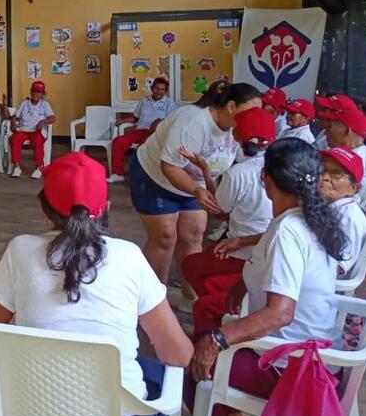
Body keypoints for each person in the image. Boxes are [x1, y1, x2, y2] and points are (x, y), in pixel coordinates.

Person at [0, 153, 193, 416]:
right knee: (153, 371)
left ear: (45, 210)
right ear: (107, 209)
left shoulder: (19, 250)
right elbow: (179, 354)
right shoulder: (129, 256)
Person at [185, 139, 347, 416]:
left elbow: (279, 314)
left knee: (191, 366)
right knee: (207, 334)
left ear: (266, 179)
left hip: (291, 369)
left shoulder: (288, 231)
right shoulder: (311, 218)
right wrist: (242, 285)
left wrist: (218, 340)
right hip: (313, 355)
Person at [129, 81, 262, 293]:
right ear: (231, 106)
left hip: (196, 183)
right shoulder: (193, 121)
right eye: (250, 111)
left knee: (193, 235)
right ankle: (155, 298)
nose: (254, 117)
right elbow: (170, 166)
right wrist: (196, 191)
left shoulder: (239, 129)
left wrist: (203, 187)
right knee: (165, 237)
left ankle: (192, 294)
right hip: (155, 176)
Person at [180, 108, 276, 333]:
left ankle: (220, 320)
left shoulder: (239, 173)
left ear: (237, 139)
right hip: (263, 254)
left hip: (242, 254)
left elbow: (219, 209)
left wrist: (205, 172)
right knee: (202, 267)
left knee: (192, 266)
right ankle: (224, 312)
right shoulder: (280, 168)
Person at [315, 94, 366, 206]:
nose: (325, 132)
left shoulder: (356, 158)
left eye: (330, 127)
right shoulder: (356, 152)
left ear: (346, 131)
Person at [108, 76, 174, 184]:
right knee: (118, 142)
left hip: (155, 133)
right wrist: (122, 121)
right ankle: (118, 174)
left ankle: (143, 176)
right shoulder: (144, 101)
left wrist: (160, 122)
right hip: (139, 131)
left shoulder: (169, 103)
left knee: (144, 147)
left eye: (162, 89)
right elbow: (135, 118)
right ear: (152, 88)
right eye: (157, 88)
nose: (159, 91)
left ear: (166, 91)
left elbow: (171, 121)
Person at [320, 146, 366, 277]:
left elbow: (339, 267)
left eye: (336, 174)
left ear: (353, 188)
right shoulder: (330, 207)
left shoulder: (348, 218)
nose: (324, 177)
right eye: (322, 170)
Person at [8, 81, 56, 179]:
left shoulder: (45, 105)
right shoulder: (24, 103)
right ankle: (16, 167)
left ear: (43, 94)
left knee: (37, 141)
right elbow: (14, 116)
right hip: (23, 130)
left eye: (38, 92)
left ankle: (39, 167)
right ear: (30, 92)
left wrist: (43, 122)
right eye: (33, 91)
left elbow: (52, 118)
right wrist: (13, 124)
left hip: (37, 131)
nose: (35, 94)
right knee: (15, 139)